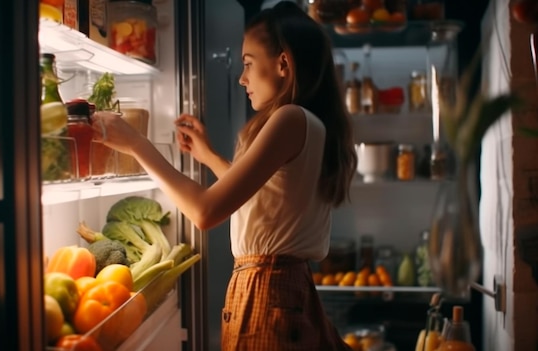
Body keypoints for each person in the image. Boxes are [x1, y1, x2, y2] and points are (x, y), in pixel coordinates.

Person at [91, 1, 357, 350]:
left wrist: (138, 145)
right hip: (280, 289)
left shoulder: (290, 118)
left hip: (267, 292)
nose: (241, 77)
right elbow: (268, 198)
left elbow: (205, 211)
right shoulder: (310, 122)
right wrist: (209, 156)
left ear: (282, 64)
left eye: (248, 64)